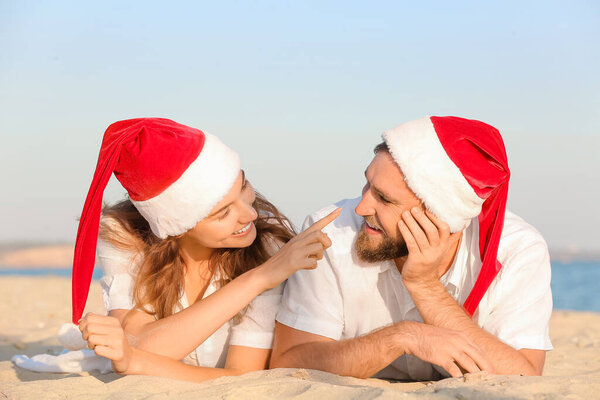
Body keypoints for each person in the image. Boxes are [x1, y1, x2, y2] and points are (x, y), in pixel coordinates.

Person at [271, 116, 552, 380]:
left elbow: (522, 377)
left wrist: (425, 286)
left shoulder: (517, 249)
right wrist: (402, 337)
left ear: (440, 218)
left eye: (384, 199)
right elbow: (288, 361)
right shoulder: (330, 232)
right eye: (367, 184)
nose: (362, 207)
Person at [73, 118, 339, 382]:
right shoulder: (126, 235)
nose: (250, 214)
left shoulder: (269, 247)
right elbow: (137, 343)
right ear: (179, 228)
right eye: (224, 212)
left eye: (243, 186)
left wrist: (133, 360)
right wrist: (258, 279)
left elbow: (241, 376)